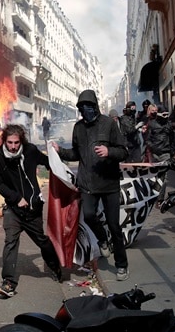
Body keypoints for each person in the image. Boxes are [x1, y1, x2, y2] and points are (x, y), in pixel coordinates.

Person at [51, 90, 130, 281]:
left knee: (114, 226)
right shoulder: (78, 128)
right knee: (89, 215)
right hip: (87, 183)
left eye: (89, 106)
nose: (86, 110)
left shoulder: (109, 124)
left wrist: (108, 151)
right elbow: (76, 154)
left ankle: (121, 265)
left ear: (95, 106)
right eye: (82, 107)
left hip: (109, 183)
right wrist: (59, 151)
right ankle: (103, 240)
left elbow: (124, 151)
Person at [0, 124, 62, 298]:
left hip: (33, 208)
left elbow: (48, 163)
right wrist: (16, 198)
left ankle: (54, 266)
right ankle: (8, 283)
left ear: (21, 140)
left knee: (42, 241)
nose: (13, 146)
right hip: (13, 209)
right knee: (11, 242)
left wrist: (56, 153)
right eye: (9, 143)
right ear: (4, 141)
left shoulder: (30, 151)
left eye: (16, 142)